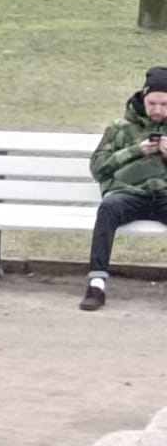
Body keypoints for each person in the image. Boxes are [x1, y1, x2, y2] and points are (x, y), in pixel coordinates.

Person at [82, 65, 167, 310]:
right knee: (108, 208)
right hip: (128, 194)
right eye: (152, 103)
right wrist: (135, 151)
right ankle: (96, 284)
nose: (157, 110)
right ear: (143, 98)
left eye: (164, 104)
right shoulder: (120, 128)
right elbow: (98, 169)